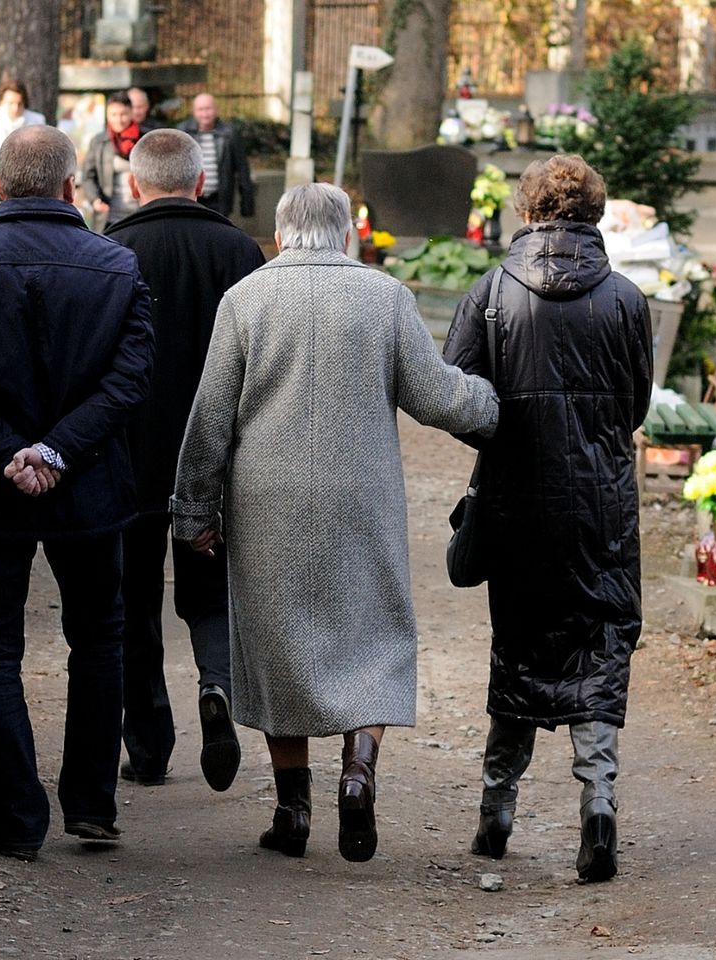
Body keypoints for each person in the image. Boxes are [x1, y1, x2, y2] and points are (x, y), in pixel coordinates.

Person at [171, 182, 498, 863]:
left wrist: (195, 512)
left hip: (267, 501)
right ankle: (359, 770)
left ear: (283, 236)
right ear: (346, 233)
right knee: (373, 634)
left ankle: (293, 810)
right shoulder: (385, 298)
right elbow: (438, 397)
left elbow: (209, 422)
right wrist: (495, 405)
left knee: (273, 644)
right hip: (362, 496)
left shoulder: (246, 300)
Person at [0, 125, 154, 863]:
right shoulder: (116, 266)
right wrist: (57, 450)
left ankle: (18, 821)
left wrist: (9, 451)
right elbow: (130, 377)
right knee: (99, 638)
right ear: (68, 187)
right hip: (86, 484)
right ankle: (89, 803)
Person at [443, 154, 652, 883]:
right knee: (599, 644)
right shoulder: (626, 298)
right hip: (602, 507)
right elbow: (637, 406)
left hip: (516, 501)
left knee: (521, 649)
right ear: (592, 214)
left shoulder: (490, 293)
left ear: (528, 212)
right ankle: (598, 807)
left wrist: (505, 437)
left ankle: (496, 813)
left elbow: (461, 403)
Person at [105, 129, 265, 791]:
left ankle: (147, 744)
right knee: (210, 591)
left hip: (131, 456)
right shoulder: (239, 250)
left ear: (136, 184)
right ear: (200, 181)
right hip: (218, 456)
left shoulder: (112, 251)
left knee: (132, 598)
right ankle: (217, 687)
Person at [176, 93, 255, 220]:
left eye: (208, 108)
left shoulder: (230, 133)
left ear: (216, 110)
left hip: (220, 199)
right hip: (192, 198)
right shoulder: (183, 132)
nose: (205, 114)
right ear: (193, 112)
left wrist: (247, 204)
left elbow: (242, 169)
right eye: (200, 109)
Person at [0, 79, 45, 203]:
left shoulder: (37, 122)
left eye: (19, 103)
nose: (15, 108)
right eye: (10, 103)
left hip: (30, 193)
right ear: (1, 102)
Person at [81, 92, 141, 232]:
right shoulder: (99, 141)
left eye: (123, 114)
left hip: (139, 215)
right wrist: (95, 199)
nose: (119, 120)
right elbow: (88, 176)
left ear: (132, 112)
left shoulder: (144, 139)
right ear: (107, 115)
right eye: (113, 114)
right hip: (108, 217)